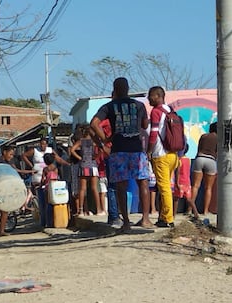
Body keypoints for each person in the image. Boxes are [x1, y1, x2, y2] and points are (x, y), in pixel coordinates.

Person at [90, 77, 153, 233]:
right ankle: (145, 219)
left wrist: (105, 140)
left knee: (121, 186)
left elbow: (93, 124)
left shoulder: (109, 106)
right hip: (137, 150)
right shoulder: (139, 105)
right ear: (128, 88)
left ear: (115, 89)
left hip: (118, 150)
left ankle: (125, 222)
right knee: (143, 183)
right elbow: (145, 125)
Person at [147, 86, 180, 228]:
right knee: (165, 187)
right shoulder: (170, 110)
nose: (148, 98)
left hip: (161, 154)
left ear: (157, 96)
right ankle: (163, 216)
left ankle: (168, 219)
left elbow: (153, 134)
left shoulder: (156, 111)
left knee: (164, 187)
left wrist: (148, 150)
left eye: (150, 96)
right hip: (173, 154)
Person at [0, 145, 31, 237]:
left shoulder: (10, 163)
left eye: (12, 155)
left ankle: (2, 231)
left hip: (7, 188)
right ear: (4, 152)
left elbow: (17, 171)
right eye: (10, 154)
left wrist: (30, 172)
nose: (11, 156)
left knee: (5, 209)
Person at [187, 122, 218, 222]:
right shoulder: (218, 138)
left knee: (195, 186)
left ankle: (189, 209)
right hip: (211, 160)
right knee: (208, 188)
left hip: (199, 158)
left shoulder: (203, 136)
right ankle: (205, 211)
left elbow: (198, 149)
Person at [70, 125, 101, 217]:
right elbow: (101, 149)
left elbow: (72, 150)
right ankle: (99, 209)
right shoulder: (94, 142)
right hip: (93, 165)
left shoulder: (81, 141)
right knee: (94, 188)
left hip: (84, 165)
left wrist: (80, 157)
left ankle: (81, 210)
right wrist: (96, 156)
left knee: (82, 189)